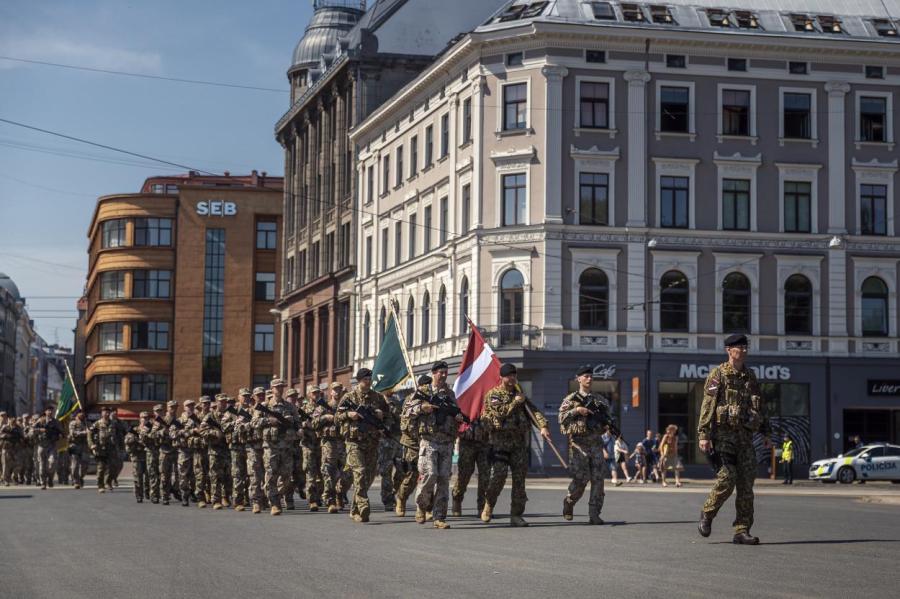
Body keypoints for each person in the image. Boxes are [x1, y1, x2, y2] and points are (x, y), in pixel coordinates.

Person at [697, 333, 770, 545]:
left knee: (746, 486)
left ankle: (741, 530)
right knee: (727, 479)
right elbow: (707, 405)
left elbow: (760, 406)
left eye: (746, 347)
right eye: (740, 347)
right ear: (729, 350)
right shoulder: (718, 374)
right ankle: (708, 513)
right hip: (723, 437)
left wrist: (766, 432)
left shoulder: (751, 376)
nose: (744, 350)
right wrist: (704, 434)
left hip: (745, 439)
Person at [481, 363, 551, 527]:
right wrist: (515, 402)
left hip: (519, 443)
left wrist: (543, 426)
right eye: (508, 375)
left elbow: (534, 412)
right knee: (498, 477)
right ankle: (489, 504)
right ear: (502, 377)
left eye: (514, 375)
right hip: (500, 443)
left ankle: (516, 515)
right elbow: (500, 413)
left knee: (519, 481)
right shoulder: (494, 395)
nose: (512, 378)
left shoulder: (521, 395)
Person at [408, 360, 463, 530]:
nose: (444, 375)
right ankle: (422, 505)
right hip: (429, 440)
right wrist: (422, 408)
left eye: (446, 372)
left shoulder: (450, 393)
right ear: (433, 373)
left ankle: (439, 516)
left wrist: (458, 417)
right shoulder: (423, 391)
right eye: (441, 372)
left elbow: (455, 410)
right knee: (429, 474)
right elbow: (408, 411)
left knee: (443, 480)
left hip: (446, 442)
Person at [559, 365, 614, 525]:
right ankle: (569, 502)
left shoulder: (600, 400)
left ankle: (594, 514)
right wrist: (577, 411)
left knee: (598, 480)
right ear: (579, 379)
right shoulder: (571, 399)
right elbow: (561, 418)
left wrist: (608, 425)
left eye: (591, 376)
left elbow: (609, 418)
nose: (589, 379)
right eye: (586, 376)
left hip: (596, 444)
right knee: (581, 480)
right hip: (579, 445)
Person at [337, 368, 393, 523]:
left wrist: (382, 418)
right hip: (354, 442)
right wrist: (349, 414)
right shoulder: (349, 397)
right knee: (360, 473)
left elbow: (389, 417)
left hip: (372, 442)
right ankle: (363, 507)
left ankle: (354, 508)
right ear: (359, 380)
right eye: (365, 379)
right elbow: (337, 417)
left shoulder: (377, 397)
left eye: (370, 379)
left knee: (368, 477)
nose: (368, 382)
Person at [255, 377, 300, 515]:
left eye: (282, 386)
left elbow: (297, 423)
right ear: (272, 389)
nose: (280, 389)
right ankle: (274, 503)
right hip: (271, 446)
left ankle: (274, 495)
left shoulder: (290, 406)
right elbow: (254, 423)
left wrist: (298, 429)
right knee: (271, 474)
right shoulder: (265, 406)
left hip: (286, 446)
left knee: (286, 477)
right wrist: (269, 420)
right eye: (277, 387)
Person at [395, 375, 429, 517]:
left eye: (429, 385)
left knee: (428, 476)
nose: (427, 388)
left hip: (428, 442)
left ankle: (425, 507)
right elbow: (406, 422)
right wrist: (421, 409)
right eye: (425, 385)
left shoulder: (432, 399)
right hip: (412, 443)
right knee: (412, 475)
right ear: (420, 386)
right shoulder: (411, 399)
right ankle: (401, 498)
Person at [311, 382, 347, 513]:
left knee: (346, 472)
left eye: (339, 390)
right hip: (329, 443)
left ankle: (340, 494)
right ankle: (330, 500)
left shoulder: (346, 406)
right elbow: (313, 423)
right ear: (330, 392)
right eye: (334, 390)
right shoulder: (323, 407)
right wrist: (325, 417)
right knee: (328, 472)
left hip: (344, 442)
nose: (337, 392)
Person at [451, 405, 490, 518]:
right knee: (464, 474)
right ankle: (457, 499)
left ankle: (482, 507)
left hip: (485, 441)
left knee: (485, 476)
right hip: (467, 441)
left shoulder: (489, 396)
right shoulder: (467, 395)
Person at [224, 393, 250, 511]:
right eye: (244, 396)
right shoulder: (232, 412)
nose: (246, 398)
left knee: (252, 474)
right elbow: (223, 426)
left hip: (251, 446)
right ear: (239, 398)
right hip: (237, 446)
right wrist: (235, 422)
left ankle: (251, 499)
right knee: (238, 474)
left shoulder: (253, 410)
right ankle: (238, 501)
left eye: (248, 396)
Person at [299, 385, 324, 511]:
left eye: (317, 393)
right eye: (313, 393)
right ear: (308, 394)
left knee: (322, 472)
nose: (316, 395)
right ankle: (312, 500)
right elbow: (296, 424)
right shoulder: (302, 409)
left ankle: (319, 496)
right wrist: (303, 425)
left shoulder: (323, 407)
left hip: (321, 444)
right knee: (310, 473)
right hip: (308, 444)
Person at [173, 398, 199, 507]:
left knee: (196, 474)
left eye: (192, 406)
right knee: (183, 475)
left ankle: (193, 492)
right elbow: (172, 434)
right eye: (188, 406)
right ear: (184, 408)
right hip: (184, 451)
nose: (190, 407)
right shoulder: (179, 421)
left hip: (196, 450)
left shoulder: (197, 419)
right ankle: (184, 496)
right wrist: (188, 431)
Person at [246, 387, 268, 514]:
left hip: (267, 445)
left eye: (262, 395)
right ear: (253, 397)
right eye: (258, 395)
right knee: (255, 475)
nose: (261, 397)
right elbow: (239, 427)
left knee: (267, 474)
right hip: (253, 447)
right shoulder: (248, 411)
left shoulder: (267, 409)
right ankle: (256, 502)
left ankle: (265, 499)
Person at [285, 388, 306, 510]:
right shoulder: (283, 409)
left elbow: (298, 423)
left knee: (300, 472)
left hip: (298, 446)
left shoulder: (297, 411)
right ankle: (288, 499)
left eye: (295, 397)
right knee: (287, 473)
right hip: (285, 445)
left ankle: (300, 487)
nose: (293, 399)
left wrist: (301, 428)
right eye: (291, 397)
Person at [33, 407, 63, 489]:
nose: (50, 412)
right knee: (42, 465)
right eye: (48, 410)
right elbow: (32, 430)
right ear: (45, 412)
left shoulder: (56, 422)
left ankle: (50, 479)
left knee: (52, 463)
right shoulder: (40, 420)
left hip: (51, 445)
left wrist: (59, 435)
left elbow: (61, 432)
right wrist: (40, 430)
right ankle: (43, 483)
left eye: (51, 410)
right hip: (41, 445)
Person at [88, 406, 116, 493]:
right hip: (101, 449)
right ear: (102, 413)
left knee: (113, 467)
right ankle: (100, 485)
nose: (107, 413)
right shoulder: (97, 423)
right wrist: (92, 445)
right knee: (101, 468)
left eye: (108, 412)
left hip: (111, 448)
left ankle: (108, 482)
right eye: (105, 412)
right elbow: (89, 434)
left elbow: (119, 435)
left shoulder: (113, 423)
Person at [124, 413, 149, 503]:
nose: (144, 419)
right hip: (137, 456)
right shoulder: (134, 429)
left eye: (146, 418)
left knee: (149, 477)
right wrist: (136, 438)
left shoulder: (150, 429)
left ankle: (148, 492)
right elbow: (127, 440)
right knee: (138, 477)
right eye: (143, 418)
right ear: (139, 419)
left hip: (148, 456)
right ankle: (139, 495)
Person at [67, 412, 89, 489]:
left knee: (85, 465)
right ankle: (76, 481)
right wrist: (84, 432)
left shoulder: (87, 423)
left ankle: (80, 477)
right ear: (77, 415)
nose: (82, 415)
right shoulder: (73, 423)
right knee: (75, 466)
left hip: (84, 446)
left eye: (82, 413)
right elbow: (72, 433)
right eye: (80, 413)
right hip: (75, 446)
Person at [0, 412, 22, 486]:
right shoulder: (5, 427)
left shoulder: (18, 428)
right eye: (11, 418)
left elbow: (22, 436)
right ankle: (6, 480)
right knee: (5, 465)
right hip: (6, 448)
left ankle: (14, 476)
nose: (12, 419)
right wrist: (7, 435)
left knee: (18, 464)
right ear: (8, 419)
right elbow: (0, 434)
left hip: (15, 448)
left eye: (13, 418)